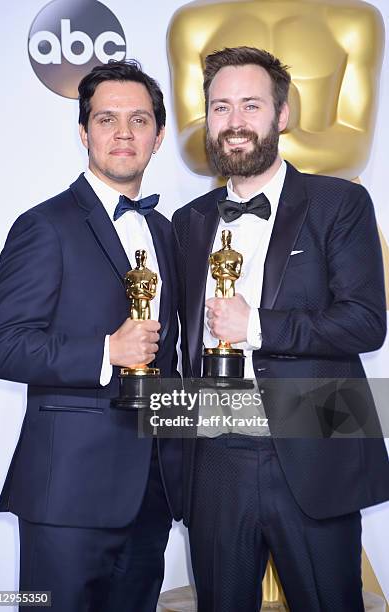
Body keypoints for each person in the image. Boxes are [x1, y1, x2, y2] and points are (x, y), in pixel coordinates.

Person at [172, 46, 389, 611]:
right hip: (217, 449)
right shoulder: (187, 221)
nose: (234, 122)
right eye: (220, 108)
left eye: (251, 105)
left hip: (315, 437)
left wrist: (260, 326)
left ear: (282, 115)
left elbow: (366, 322)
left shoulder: (340, 203)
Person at [0, 60, 181, 612]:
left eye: (139, 120)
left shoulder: (167, 232)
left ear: (158, 136)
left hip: (150, 494)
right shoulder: (44, 226)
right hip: (65, 497)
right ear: (83, 131)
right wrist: (106, 352)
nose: (123, 132)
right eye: (107, 119)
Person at [167, 0, 384, 180]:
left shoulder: (356, 20)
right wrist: (268, 128)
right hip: (233, 215)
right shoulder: (193, 23)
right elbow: (192, 149)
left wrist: (262, 130)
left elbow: (355, 150)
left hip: (332, 217)